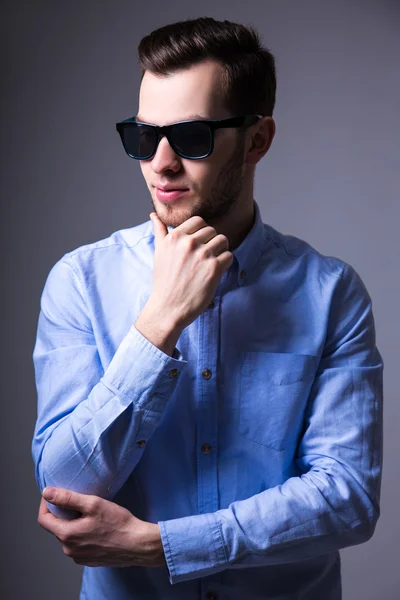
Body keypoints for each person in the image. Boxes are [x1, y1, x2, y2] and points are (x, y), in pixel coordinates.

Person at [32, 16, 384, 600]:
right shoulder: (79, 281)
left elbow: (348, 499)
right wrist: (159, 323)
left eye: (192, 137)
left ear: (258, 140)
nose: (161, 164)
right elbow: (63, 488)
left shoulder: (331, 294)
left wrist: (161, 545)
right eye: (143, 137)